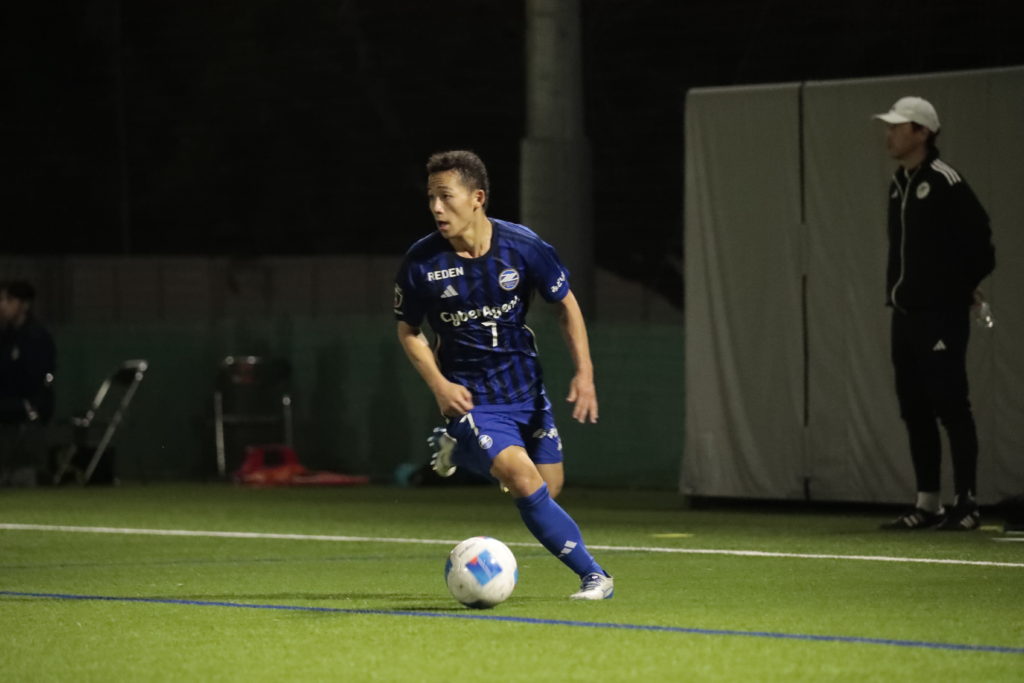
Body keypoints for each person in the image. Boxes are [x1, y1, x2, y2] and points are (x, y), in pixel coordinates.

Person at [394, 150, 613, 599]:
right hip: (471, 396)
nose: (436, 207)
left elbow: (566, 305)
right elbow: (408, 331)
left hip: (526, 390)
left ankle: (459, 450)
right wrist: (439, 384)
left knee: (547, 488)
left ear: (477, 198)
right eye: (431, 198)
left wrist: (585, 373)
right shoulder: (422, 262)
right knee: (522, 478)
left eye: (446, 196)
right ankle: (595, 576)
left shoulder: (523, 246)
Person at [873, 97, 995, 531]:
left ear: (922, 132)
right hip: (905, 316)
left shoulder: (946, 180)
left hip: (941, 317)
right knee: (915, 408)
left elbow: (981, 244)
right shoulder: (898, 184)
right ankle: (928, 504)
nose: (889, 134)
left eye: (898, 127)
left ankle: (967, 504)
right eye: (889, 126)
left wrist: (957, 290)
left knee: (951, 406)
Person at [0, 280, 56, 486]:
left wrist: (27, 404)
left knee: (24, 475)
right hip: (8, 405)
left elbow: (37, 380)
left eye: (8, 300)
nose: (3, 305)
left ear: (24, 305)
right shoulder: (5, 337)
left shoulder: (36, 336)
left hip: (27, 408)